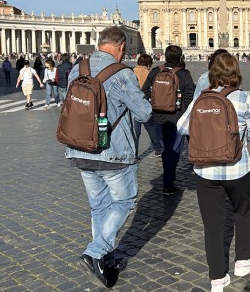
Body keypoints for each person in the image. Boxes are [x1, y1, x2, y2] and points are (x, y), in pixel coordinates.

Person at [65, 26, 152, 288]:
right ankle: (95, 252)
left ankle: (105, 260)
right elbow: (144, 113)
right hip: (114, 153)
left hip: (80, 148)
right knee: (124, 200)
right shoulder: (122, 73)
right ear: (122, 47)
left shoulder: (76, 69)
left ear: (99, 43)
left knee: (99, 206)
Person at [177, 53, 250, 292]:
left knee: (212, 224)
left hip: (205, 171)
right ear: (236, 72)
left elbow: (181, 127)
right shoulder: (243, 98)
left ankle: (217, 278)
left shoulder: (201, 99)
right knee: (244, 212)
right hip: (238, 168)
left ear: (212, 73)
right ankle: (243, 262)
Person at [142, 45, 195, 195]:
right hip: (176, 119)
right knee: (173, 152)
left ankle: (168, 180)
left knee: (165, 149)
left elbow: (144, 91)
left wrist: (154, 103)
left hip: (158, 117)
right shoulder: (184, 74)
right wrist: (183, 112)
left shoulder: (155, 72)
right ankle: (168, 184)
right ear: (180, 57)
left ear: (164, 56)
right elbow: (190, 97)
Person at [133, 53, 161, 157]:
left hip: (133, 105)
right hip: (146, 104)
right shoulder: (149, 74)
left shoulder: (132, 72)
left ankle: (134, 154)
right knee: (151, 128)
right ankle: (158, 149)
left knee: (135, 132)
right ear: (149, 64)